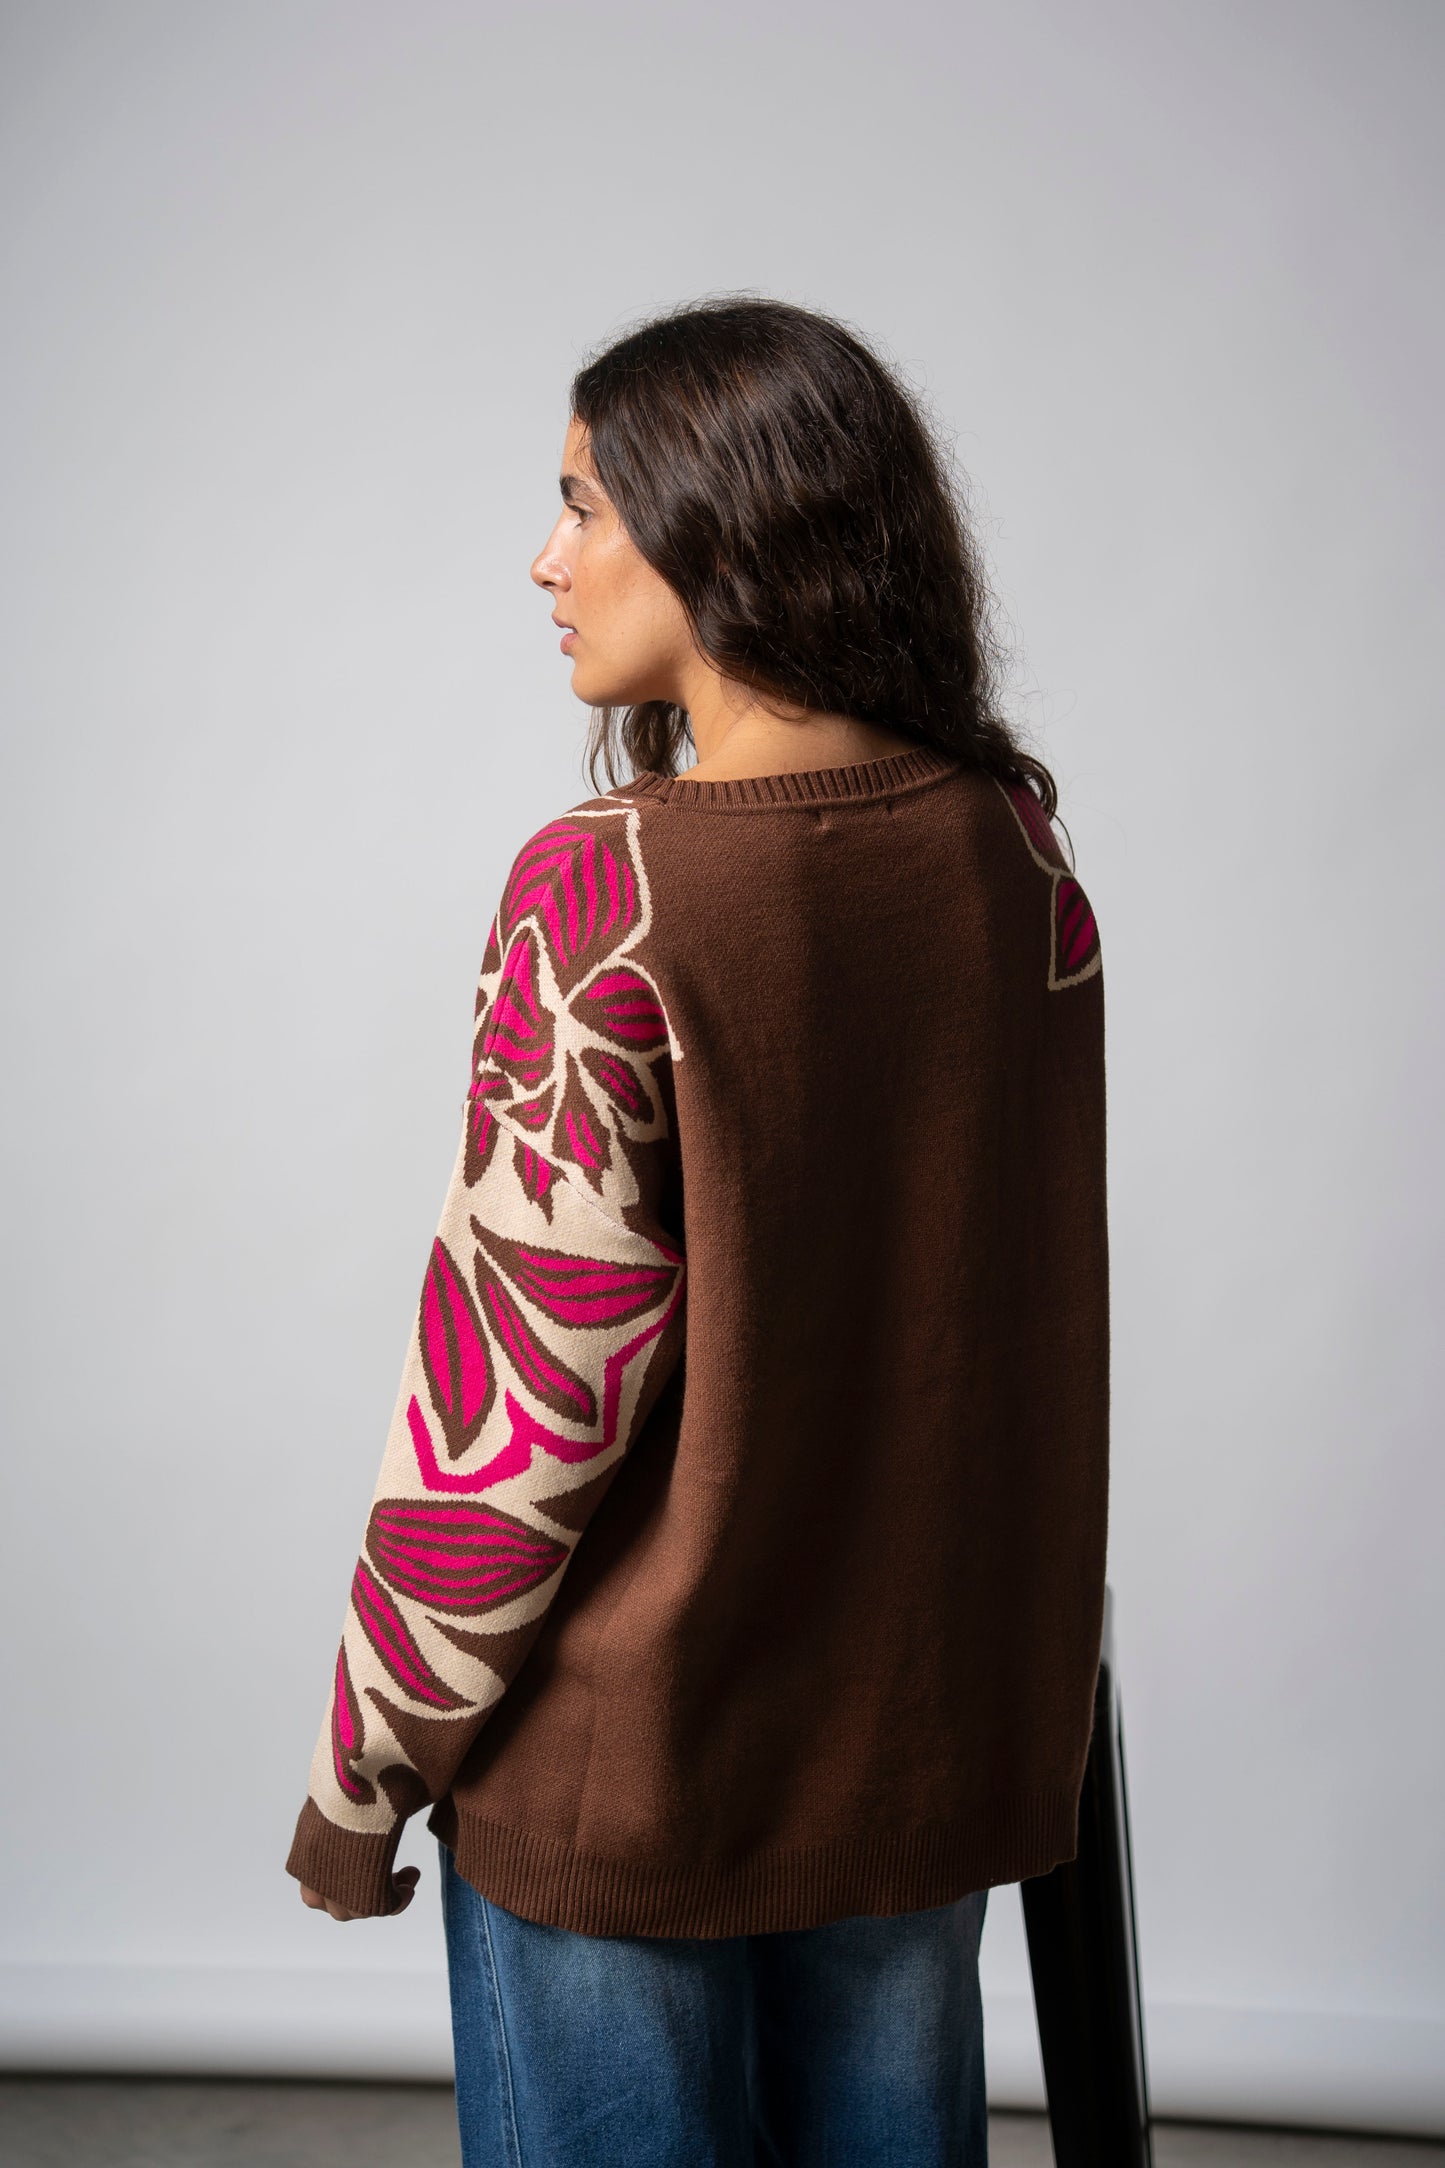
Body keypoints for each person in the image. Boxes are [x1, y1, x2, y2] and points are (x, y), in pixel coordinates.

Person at [285, 296, 1109, 2167]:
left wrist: (363, 1775)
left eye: (585, 504)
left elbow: (516, 1406)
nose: (546, 558)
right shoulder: (1013, 853)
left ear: (720, 524)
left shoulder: (610, 887)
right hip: (915, 1759)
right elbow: (1014, 1318)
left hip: (629, 1779)